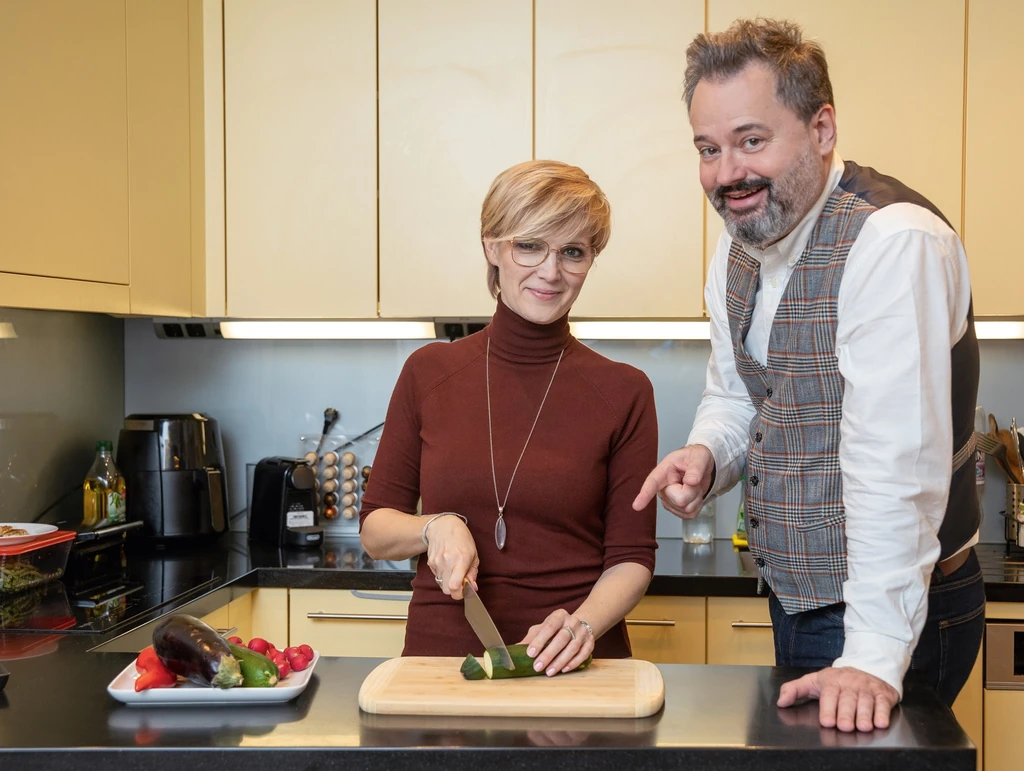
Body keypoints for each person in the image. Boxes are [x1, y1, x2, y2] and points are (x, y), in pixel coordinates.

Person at [633, 18, 985, 732]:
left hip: (889, 612)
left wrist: (876, 653)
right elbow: (738, 393)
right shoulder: (742, 246)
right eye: (709, 148)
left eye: (751, 140)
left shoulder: (892, 242)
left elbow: (898, 464)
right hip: (797, 599)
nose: (726, 172)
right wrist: (709, 454)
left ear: (821, 128)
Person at [361, 160, 659, 675]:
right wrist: (435, 526)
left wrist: (581, 627)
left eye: (572, 252)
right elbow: (376, 529)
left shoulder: (624, 390)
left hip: (576, 665)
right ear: (491, 248)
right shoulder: (429, 373)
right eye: (529, 245)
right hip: (442, 661)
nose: (550, 271)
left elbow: (632, 556)